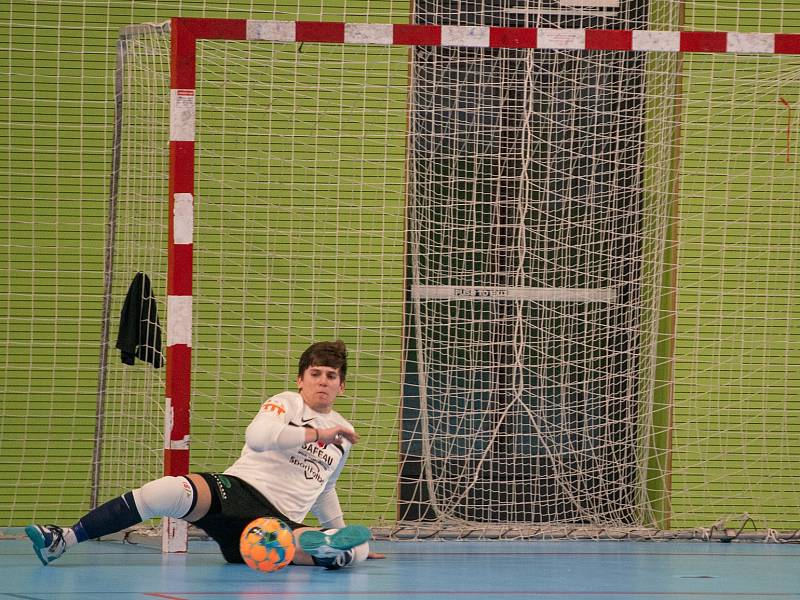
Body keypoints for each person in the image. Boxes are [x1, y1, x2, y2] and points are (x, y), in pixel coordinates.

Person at [26, 340, 377, 570]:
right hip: (237, 491)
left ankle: (333, 547)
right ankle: (63, 538)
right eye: (315, 374)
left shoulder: (344, 435)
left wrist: (341, 529)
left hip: (273, 525)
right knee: (166, 490)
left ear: (341, 386)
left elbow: (325, 489)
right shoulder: (287, 402)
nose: (323, 381)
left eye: (331, 376)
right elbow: (257, 437)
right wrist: (317, 433)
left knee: (352, 548)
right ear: (300, 380)